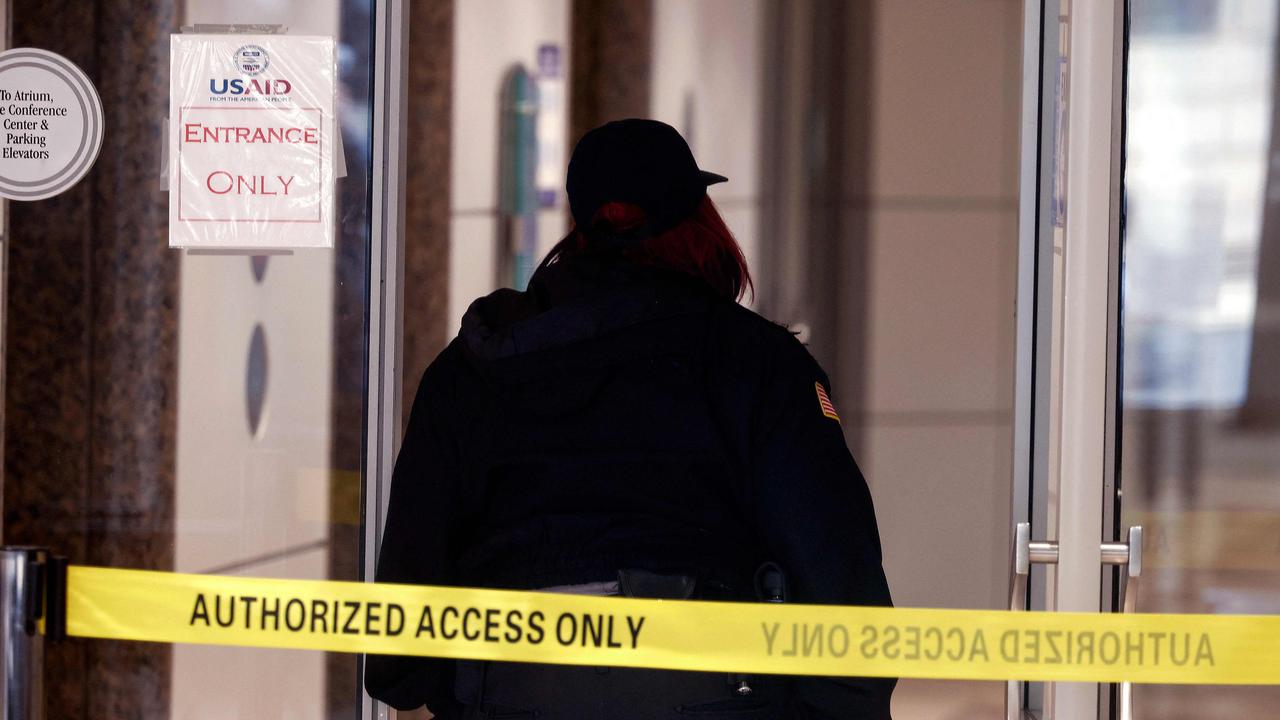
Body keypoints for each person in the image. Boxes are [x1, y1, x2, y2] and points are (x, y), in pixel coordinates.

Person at [365, 118, 894, 719]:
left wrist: (437, 687)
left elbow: (407, 602)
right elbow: (830, 554)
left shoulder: (470, 370)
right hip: (710, 694)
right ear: (700, 222)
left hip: (506, 691)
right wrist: (850, 700)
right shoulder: (759, 364)